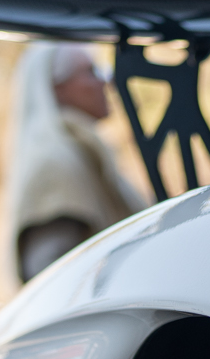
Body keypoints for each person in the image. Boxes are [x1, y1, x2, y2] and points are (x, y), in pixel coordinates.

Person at [8, 44, 145, 285]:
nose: (105, 82)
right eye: (90, 72)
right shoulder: (53, 163)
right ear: (57, 89)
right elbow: (49, 279)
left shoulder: (82, 155)